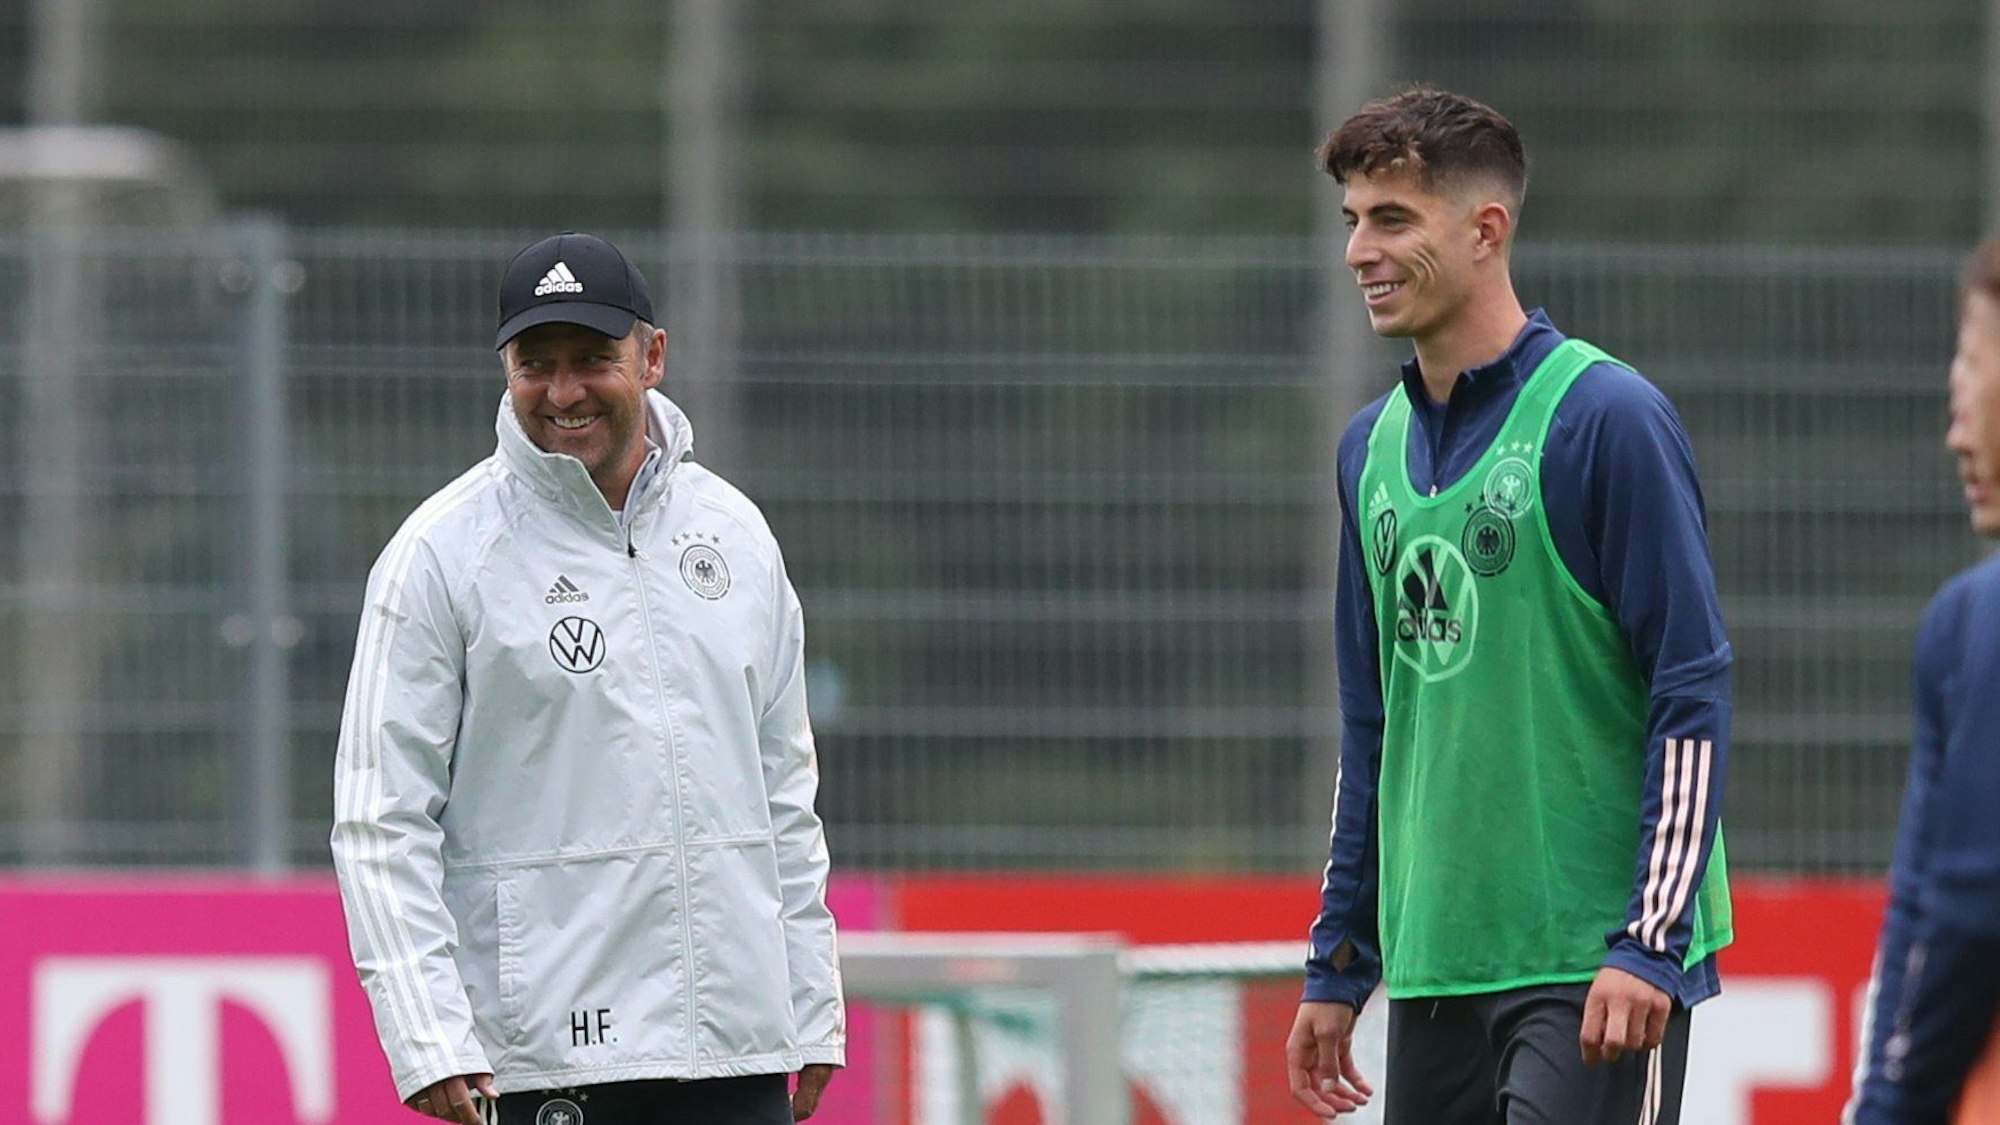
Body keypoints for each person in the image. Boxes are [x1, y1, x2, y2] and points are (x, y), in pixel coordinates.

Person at [1284, 87, 1734, 1123]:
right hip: (1438, 961)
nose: (1358, 249)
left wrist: (1647, 943)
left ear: (1486, 230)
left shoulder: (1604, 418)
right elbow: (1375, 727)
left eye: (1391, 219)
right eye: (1350, 219)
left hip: (1590, 968)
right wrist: (1342, 957)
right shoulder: (1366, 450)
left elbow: (1690, 687)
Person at [331, 232, 844, 1125]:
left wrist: (810, 1006)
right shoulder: (439, 555)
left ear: (651, 357)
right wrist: (428, 1034)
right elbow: (380, 820)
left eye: (592, 360)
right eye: (537, 363)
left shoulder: (735, 533)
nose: (564, 391)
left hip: (737, 1049)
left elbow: (783, 795)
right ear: (505, 369)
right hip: (542, 1058)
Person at [1846, 237, 2000, 1124]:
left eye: (1972, 367)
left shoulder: (1977, 623)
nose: (1955, 427)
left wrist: (1891, 1108)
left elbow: (1963, 906)